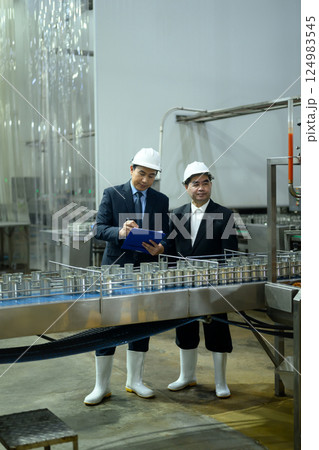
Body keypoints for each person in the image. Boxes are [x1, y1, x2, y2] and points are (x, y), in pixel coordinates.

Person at [84, 148, 169, 405]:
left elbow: (165, 232)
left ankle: (135, 381)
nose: (145, 180)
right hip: (115, 268)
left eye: (151, 175)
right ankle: (101, 386)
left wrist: (162, 247)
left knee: (142, 322)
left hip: (145, 269)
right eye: (142, 173)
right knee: (108, 322)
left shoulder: (160, 200)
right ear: (131, 169)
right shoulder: (112, 194)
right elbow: (98, 229)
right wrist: (120, 232)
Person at [167, 161, 238, 398]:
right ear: (186, 187)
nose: (201, 188)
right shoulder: (177, 215)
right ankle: (187, 377)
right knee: (185, 330)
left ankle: (221, 381)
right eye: (195, 183)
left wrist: (225, 284)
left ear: (210, 185)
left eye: (205, 182)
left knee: (218, 331)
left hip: (214, 285)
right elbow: (169, 252)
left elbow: (230, 255)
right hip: (184, 284)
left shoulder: (225, 215)